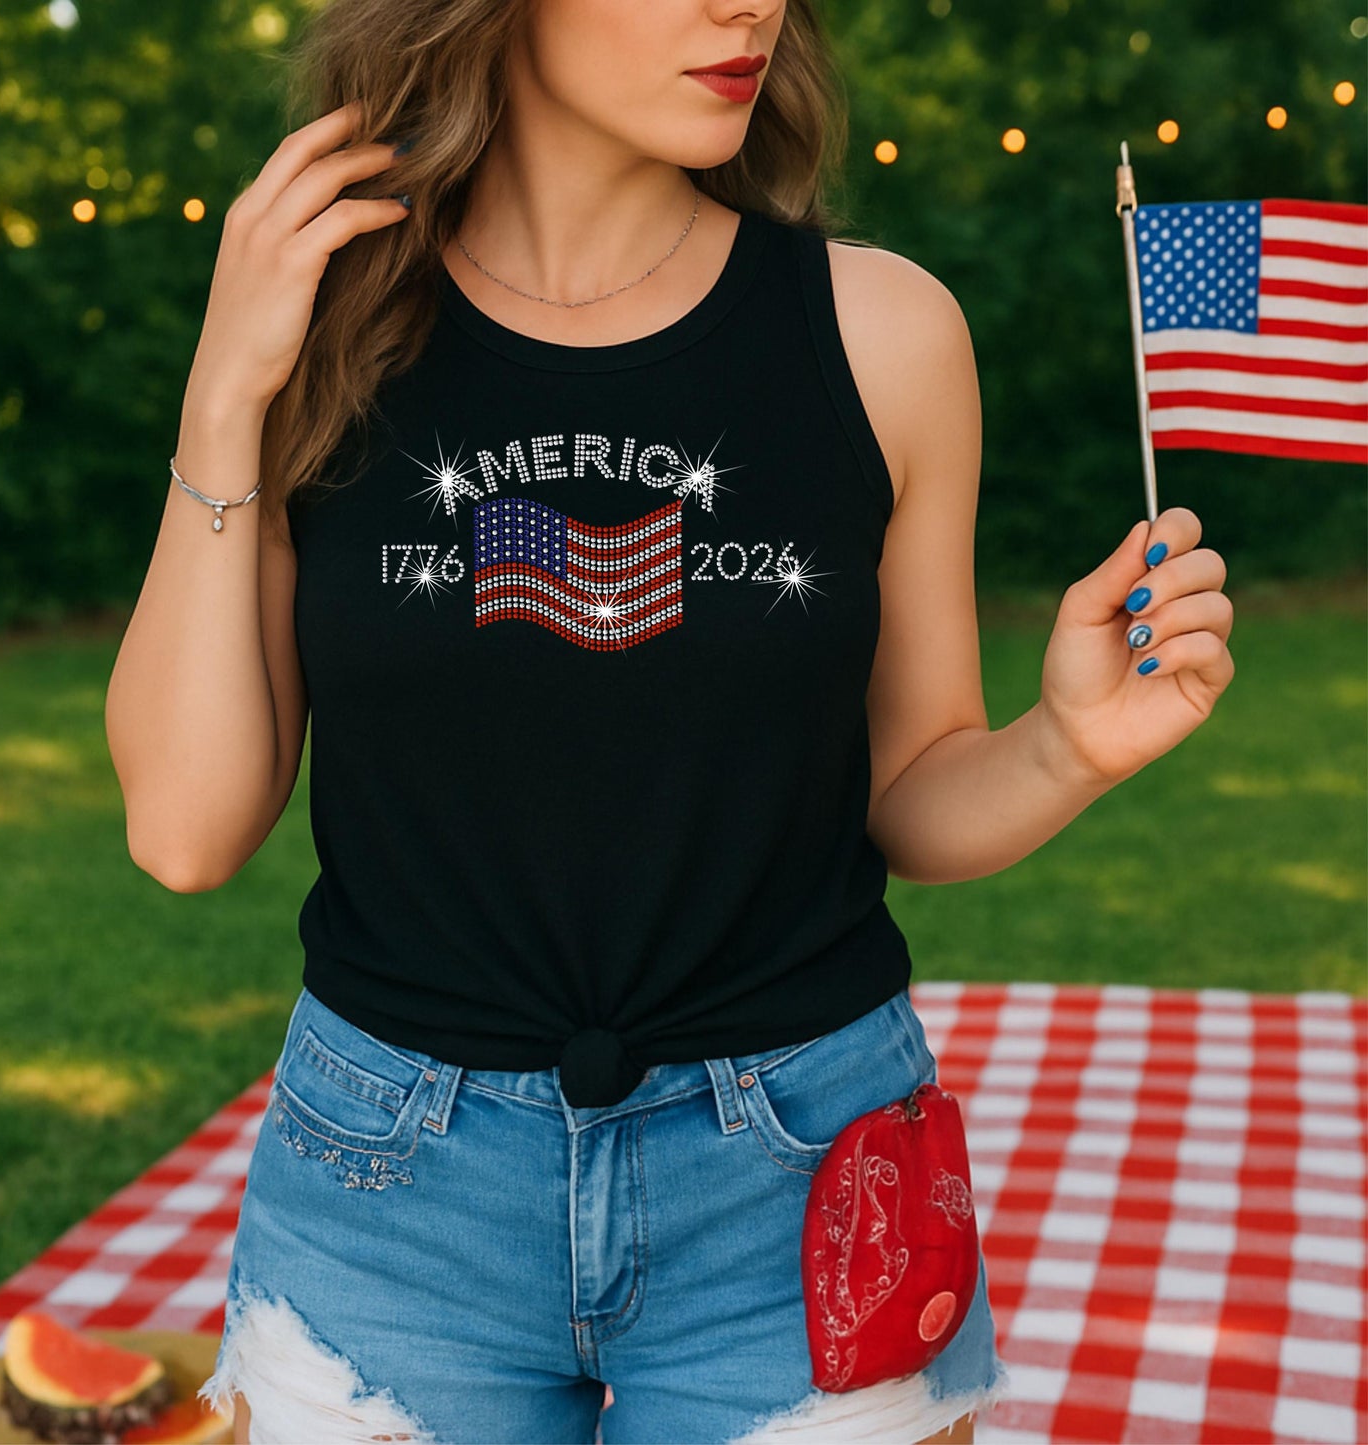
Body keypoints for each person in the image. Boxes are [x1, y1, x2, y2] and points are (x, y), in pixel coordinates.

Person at [104, 0, 1236, 1439]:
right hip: (387, 1200)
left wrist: (1068, 745)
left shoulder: (884, 330)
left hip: (808, 1182)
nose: (746, 5)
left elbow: (910, 791)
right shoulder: (326, 330)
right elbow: (185, 829)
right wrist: (224, 393)